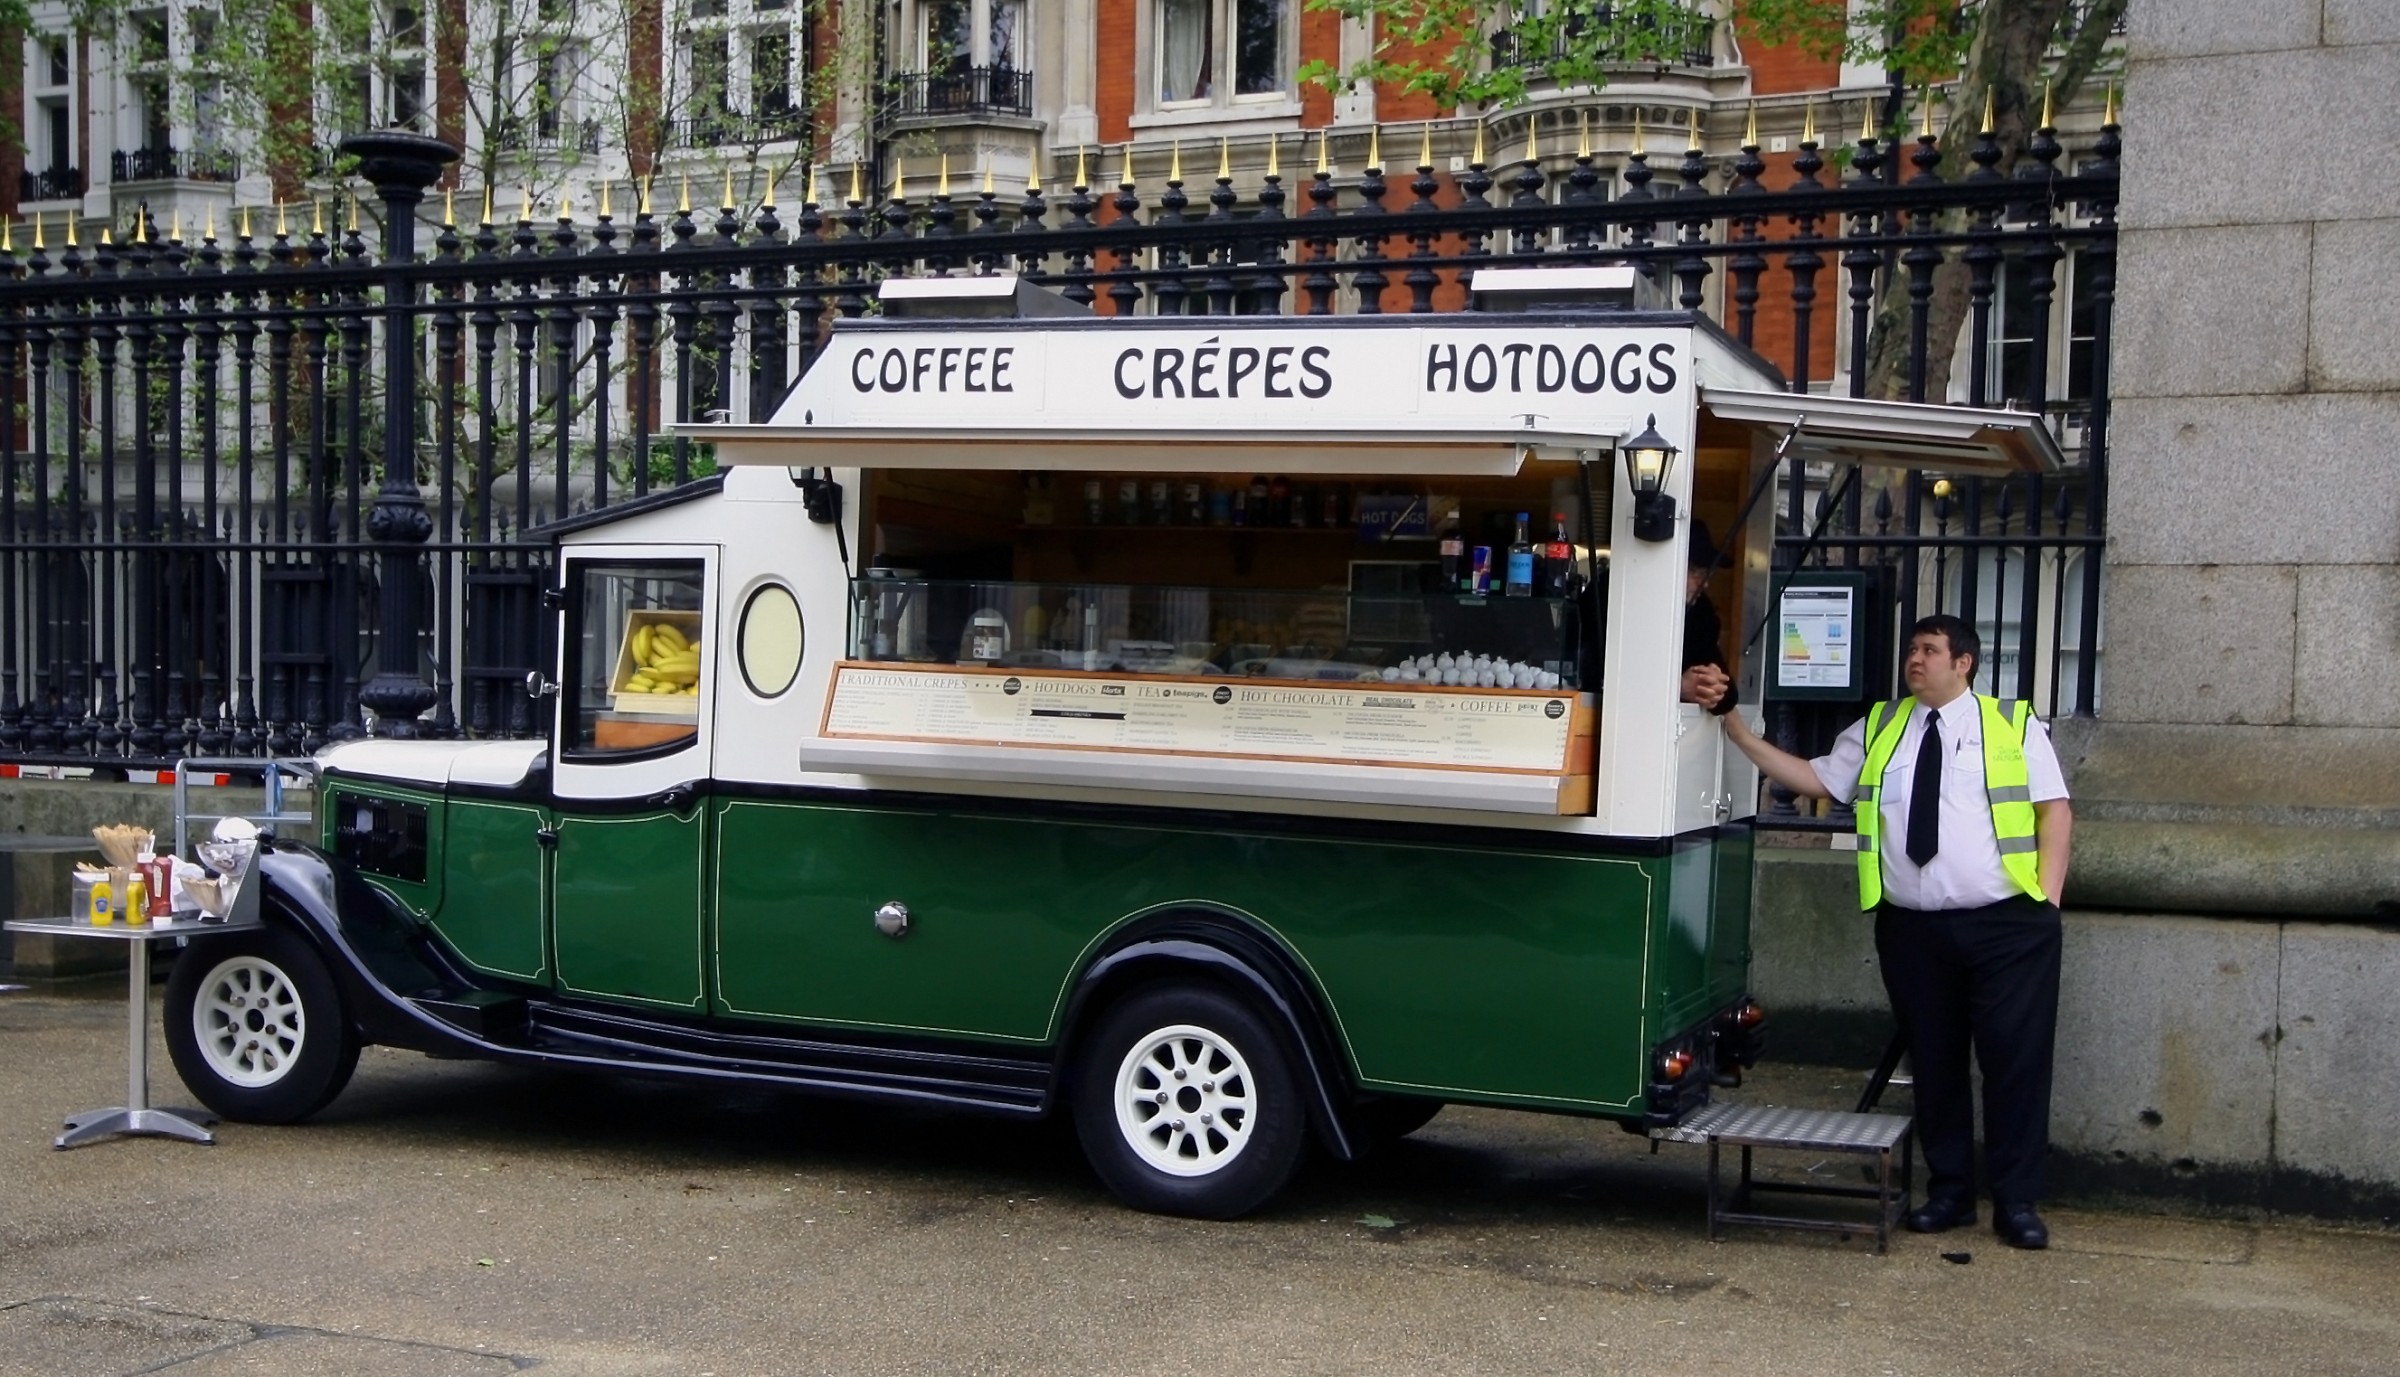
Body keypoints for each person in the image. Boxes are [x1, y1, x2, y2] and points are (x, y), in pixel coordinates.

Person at [1721, 614, 2074, 1250]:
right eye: (1911, 649)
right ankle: (1950, 1193)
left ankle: (2018, 1202)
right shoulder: (1881, 726)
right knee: (1934, 1063)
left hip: (2007, 928)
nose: (1916, 660)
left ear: (1963, 663)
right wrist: (1737, 730)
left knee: (2014, 1065)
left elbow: (2055, 811)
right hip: (1913, 929)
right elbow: (1816, 780)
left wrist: (2048, 902)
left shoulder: (2012, 725)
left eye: (1930, 651)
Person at [1680, 519, 1736, 715]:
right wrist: (1678, 686)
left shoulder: (1701, 612)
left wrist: (1713, 688)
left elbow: (1728, 694)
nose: (1704, 585)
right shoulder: (1610, 595)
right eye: (1696, 573)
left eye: (1707, 575)